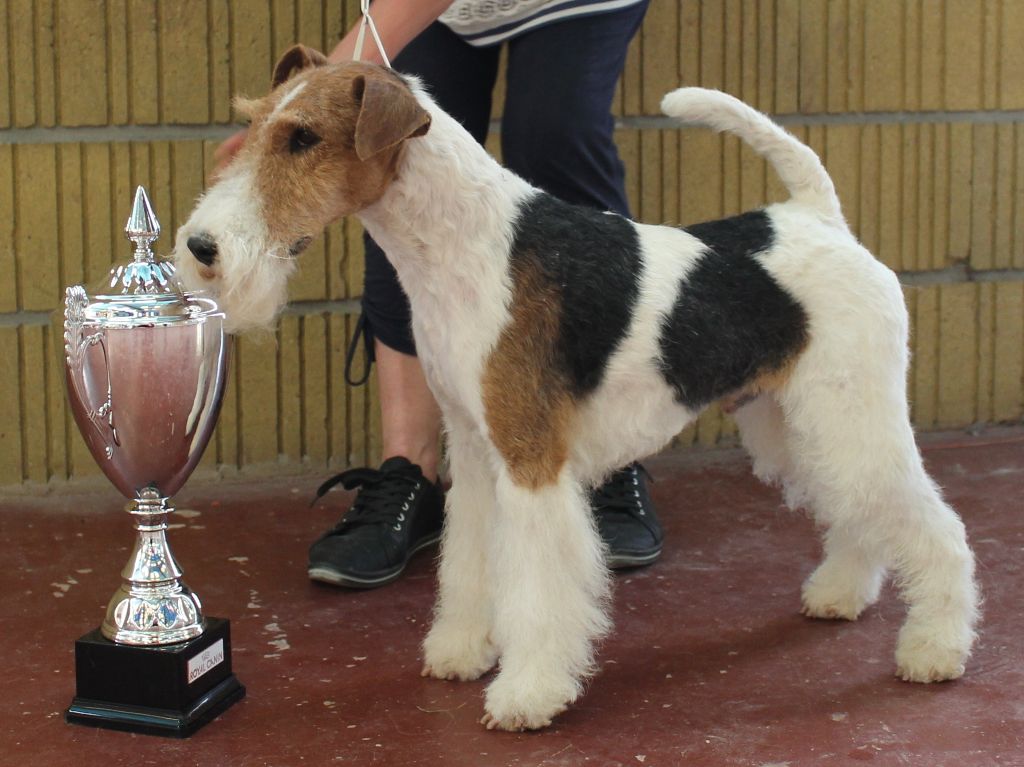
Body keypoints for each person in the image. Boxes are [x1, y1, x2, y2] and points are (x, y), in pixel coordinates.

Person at [253, 0, 665, 589]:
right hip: (446, 16)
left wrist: (306, 104)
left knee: (556, 134)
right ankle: (410, 471)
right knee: (388, 172)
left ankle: (610, 464)